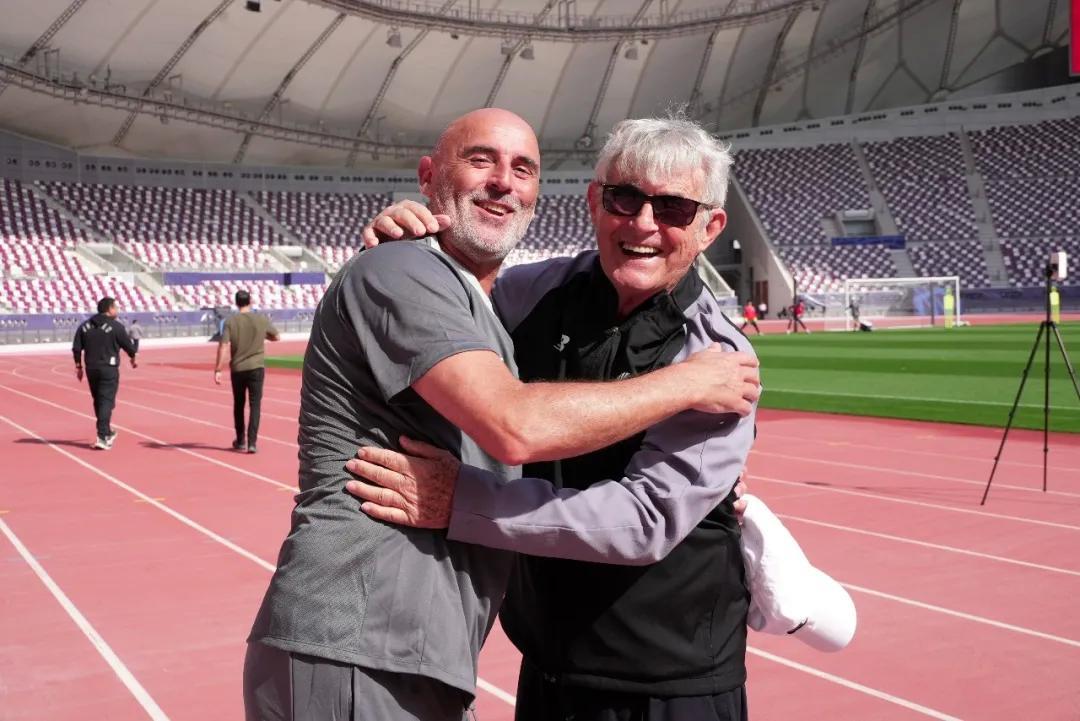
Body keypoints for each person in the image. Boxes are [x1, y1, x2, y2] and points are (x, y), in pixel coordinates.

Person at [243, 109, 760, 721]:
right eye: (624, 198)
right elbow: (456, 316)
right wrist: (408, 241)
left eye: (673, 208)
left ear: (710, 226)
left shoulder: (722, 363)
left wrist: (464, 502)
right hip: (537, 662)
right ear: (594, 201)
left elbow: (645, 521)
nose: (643, 223)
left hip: (667, 677)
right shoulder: (527, 293)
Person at [214, 290, 279, 454]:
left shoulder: (231, 321)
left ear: (236, 303)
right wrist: (263, 336)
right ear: (250, 301)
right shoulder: (261, 319)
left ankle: (240, 440)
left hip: (238, 368)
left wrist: (218, 369)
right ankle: (252, 442)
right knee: (255, 405)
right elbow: (276, 336)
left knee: (239, 404)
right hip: (256, 367)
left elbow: (223, 345)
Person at [72, 296, 138, 450]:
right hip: (108, 368)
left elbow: (76, 348)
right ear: (110, 309)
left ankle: (107, 431)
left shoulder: (84, 326)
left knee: (98, 400)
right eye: (116, 307)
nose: (118, 310)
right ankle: (103, 436)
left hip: (91, 369)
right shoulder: (116, 327)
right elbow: (129, 346)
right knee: (106, 401)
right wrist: (133, 358)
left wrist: (79, 366)